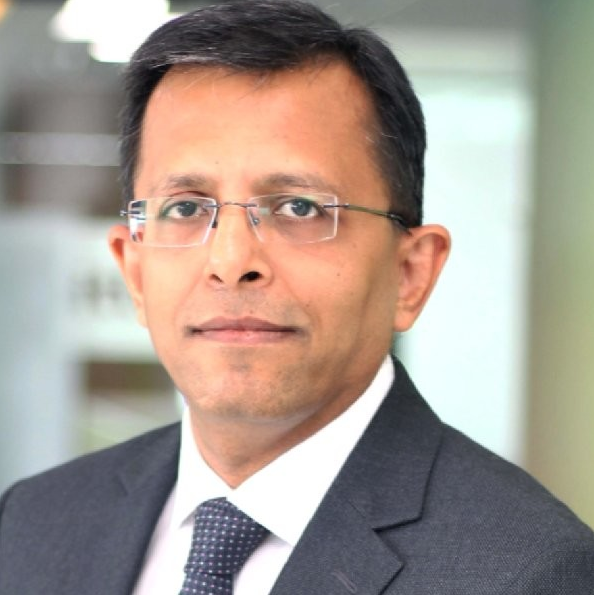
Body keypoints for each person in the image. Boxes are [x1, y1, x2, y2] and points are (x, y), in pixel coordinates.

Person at [1, 1, 593, 593]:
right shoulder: (32, 523)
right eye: (185, 208)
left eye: (299, 207)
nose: (231, 263)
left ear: (410, 273)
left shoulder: (531, 572)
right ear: (133, 271)